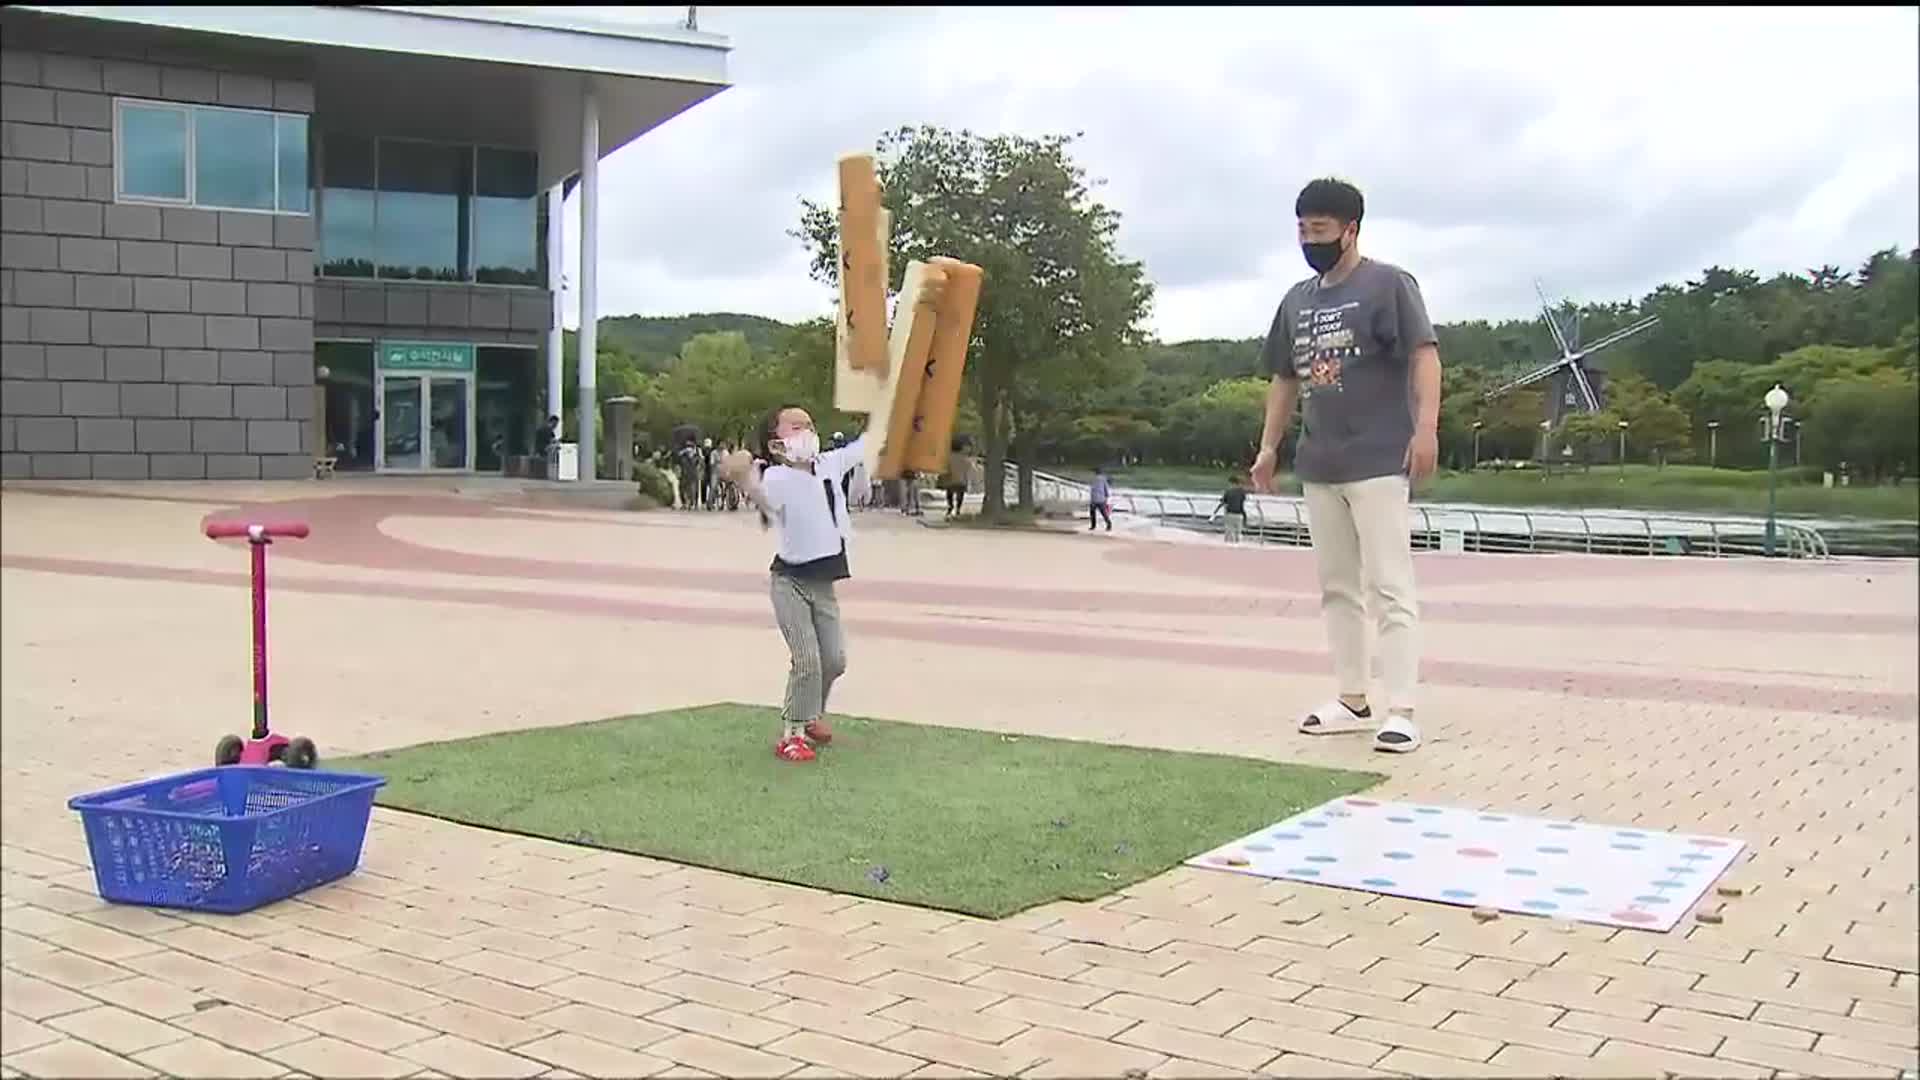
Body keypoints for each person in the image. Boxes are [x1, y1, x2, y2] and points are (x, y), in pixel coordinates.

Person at [1250, 177, 1441, 755]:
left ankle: (1401, 707)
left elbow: (1424, 356)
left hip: (1379, 457)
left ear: (1350, 229)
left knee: (1389, 583)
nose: (1310, 239)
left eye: (1321, 230)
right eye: (1303, 229)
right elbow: (1284, 378)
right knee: (1337, 586)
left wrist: (1426, 428)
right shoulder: (1297, 300)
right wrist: (1269, 446)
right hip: (1321, 460)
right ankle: (1352, 697)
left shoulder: (1388, 285)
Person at [720, 405, 869, 763]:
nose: (807, 432)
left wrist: (886, 416)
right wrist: (742, 477)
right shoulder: (776, 478)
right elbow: (761, 498)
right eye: (796, 427)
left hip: (824, 581)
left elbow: (867, 445)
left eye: (809, 425)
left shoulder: (829, 464)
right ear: (776, 443)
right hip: (790, 582)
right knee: (807, 660)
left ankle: (811, 712)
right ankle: (793, 732)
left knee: (834, 660)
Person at [942, 439, 972, 518]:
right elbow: (968, 468)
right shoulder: (964, 458)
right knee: (960, 495)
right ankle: (958, 509)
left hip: (951, 480)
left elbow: (946, 468)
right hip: (961, 480)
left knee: (950, 494)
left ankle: (950, 507)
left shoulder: (948, 457)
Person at [1216, 475, 1249, 544]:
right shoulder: (1242, 492)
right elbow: (1242, 501)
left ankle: (1229, 547)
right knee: (1238, 533)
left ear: (1232, 483)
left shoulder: (1228, 491)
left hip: (1230, 514)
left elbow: (1223, 502)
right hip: (1239, 514)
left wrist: (1215, 512)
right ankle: (1238, 545)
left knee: (1229, 533)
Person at [1088, 467, 1113, 531]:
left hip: (1094, 499)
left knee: (1092, 513)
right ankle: (1109, 524)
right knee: (1104, 513)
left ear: (1095, 473)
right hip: (1101, 499)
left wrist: (1091, 498)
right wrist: (1107, 496)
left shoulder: (1093, 479)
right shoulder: (1103, 479)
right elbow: (1106, 488)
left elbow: (1092, 489)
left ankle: (1093, 526)